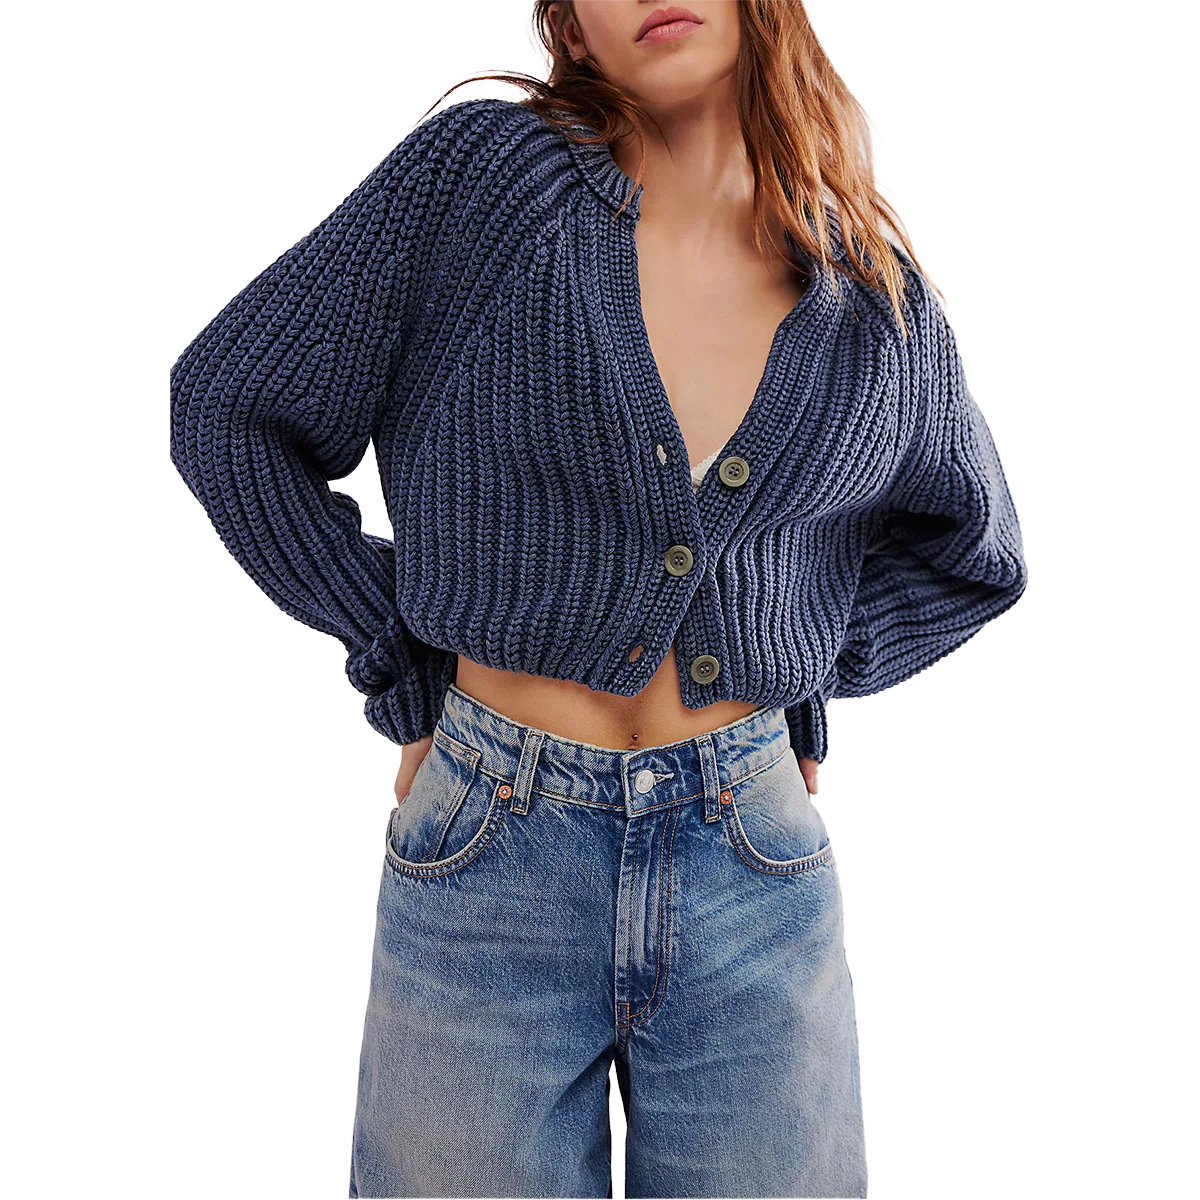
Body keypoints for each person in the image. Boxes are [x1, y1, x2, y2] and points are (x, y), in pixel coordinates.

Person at [167, 2, 1028, 1196]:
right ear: (570, 27)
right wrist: (395, 653)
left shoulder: (866, 294)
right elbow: (229, 408)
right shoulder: (489, 185)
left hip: (754, 863)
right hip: (495, 838)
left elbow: (975, 553)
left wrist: (797, 669)